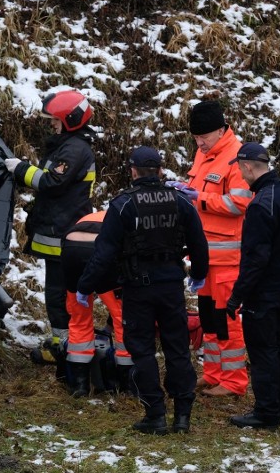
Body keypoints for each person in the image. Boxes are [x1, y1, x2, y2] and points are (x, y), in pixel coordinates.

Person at [76, 146, 209, 434]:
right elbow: (199, 243)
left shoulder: (123, 205)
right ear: (160, 171)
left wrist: (85, 286)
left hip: (138, 288)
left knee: (143, 351)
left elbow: (104, 253)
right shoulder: (181, 202)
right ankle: (183, 415)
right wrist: (198, 275)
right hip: (172, 286)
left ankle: (156, 414)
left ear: (133, 171)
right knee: (177, 348)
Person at [4, 90, 97, 371]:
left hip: (64, 234)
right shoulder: (67, 145)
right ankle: (64, 342)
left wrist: (21, 170)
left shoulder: (74, 149)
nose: (51, 124)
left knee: (61, 294)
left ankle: (65, 346)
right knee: (58, 292)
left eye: (55, 120)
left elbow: (53, 182)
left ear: (70, 119)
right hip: (59, 231)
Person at [167, 99, 251, 397]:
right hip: (204, 254)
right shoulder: (204, 154)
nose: (199, 143)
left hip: (227, 257)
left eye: (203, 137)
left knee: (226, 320)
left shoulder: (237, 158)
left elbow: (239, 204)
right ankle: (214, 374)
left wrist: (197, 198)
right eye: (195, 138)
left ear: (220, 130)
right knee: (209, 319)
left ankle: (234, 381)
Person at [224, 142, 280, 429]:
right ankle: (277, 403)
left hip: (263, 293)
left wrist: (237, 297)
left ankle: (266, 412)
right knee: (278, 349)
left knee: (262, 353)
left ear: (246, 166)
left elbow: (255, 258)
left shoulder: (260, 205)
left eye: (240, 169)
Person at [60, 210, 132, 397]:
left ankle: (80, 386)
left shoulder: (104, 214)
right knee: (123, 318)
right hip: (101, 249)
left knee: (79, 317)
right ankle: (127, 385)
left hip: (71, 247)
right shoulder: (131, 218)